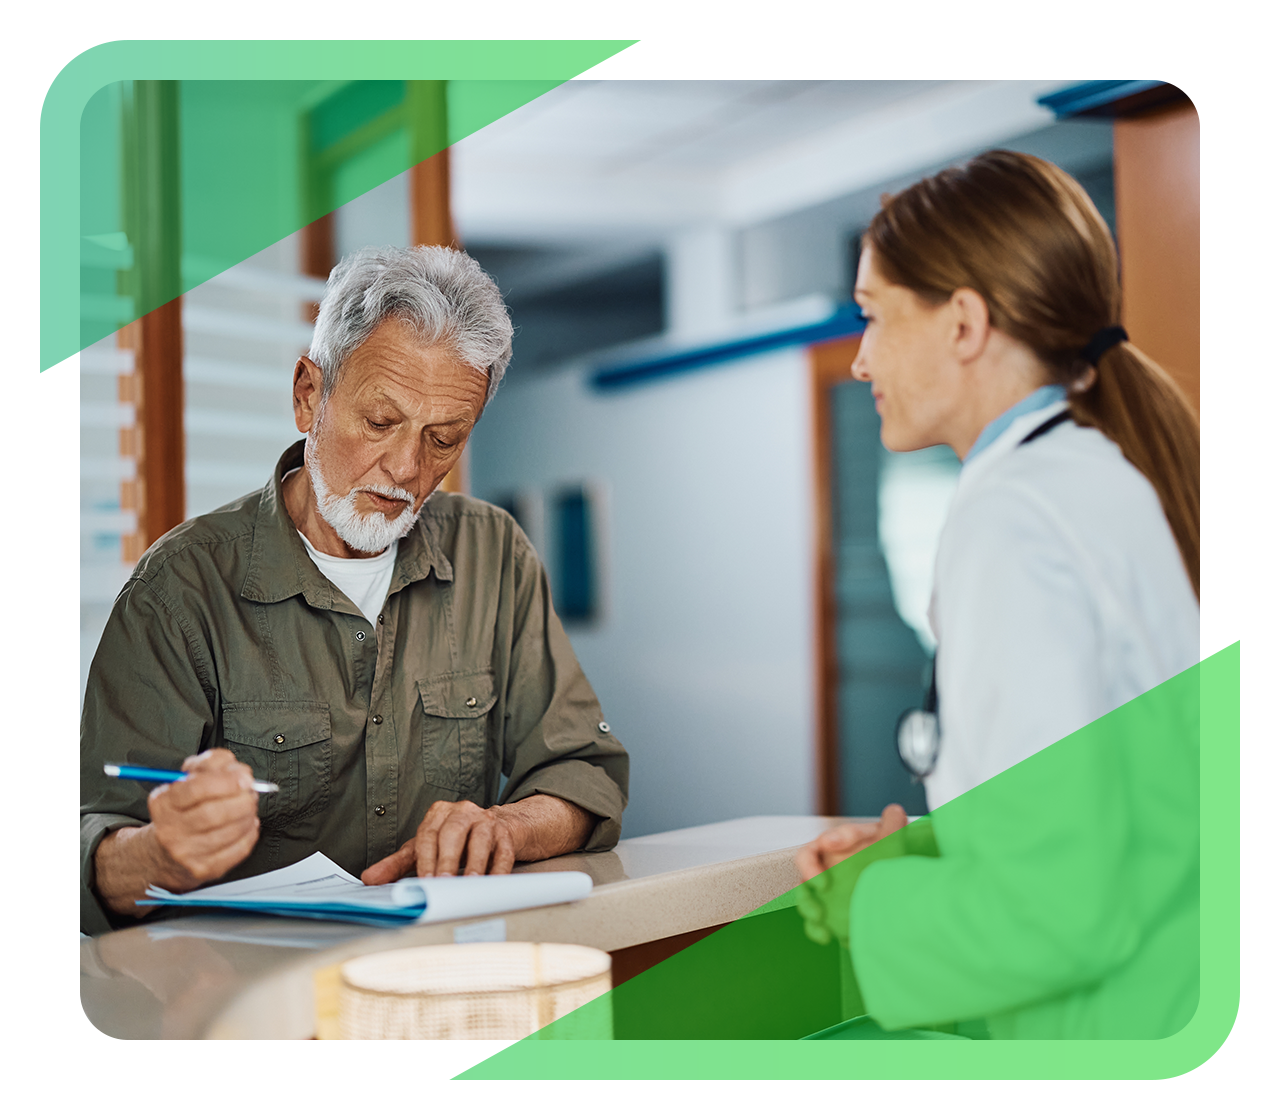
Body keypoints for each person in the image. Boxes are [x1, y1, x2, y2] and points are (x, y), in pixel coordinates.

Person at [80, 245, 629, 937]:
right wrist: (159, 854)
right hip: (246, 988)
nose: (406, 467)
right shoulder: (179, 588)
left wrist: (507, 827)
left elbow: (584, 772)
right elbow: (90, 845)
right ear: (308, 394)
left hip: (442, 970)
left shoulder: (494, 554)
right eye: (380, 422)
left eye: (443, 438)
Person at [795, 150, 1200, 1039]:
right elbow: (1125, 803)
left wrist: (870, 900)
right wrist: (942, 848)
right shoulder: (1098, 479)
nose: (860, 361)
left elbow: (1062, 913)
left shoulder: (1011, 521)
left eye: (874, 316)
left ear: (964, 323)